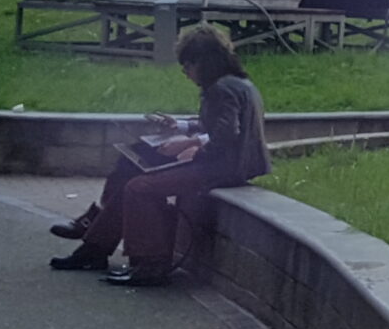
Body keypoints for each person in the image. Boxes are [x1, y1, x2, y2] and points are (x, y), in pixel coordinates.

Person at [50, 23, 270, 286]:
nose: (185, 72)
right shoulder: (237, 84)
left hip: (223, 167)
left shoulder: (220, 89)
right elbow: (219, 125)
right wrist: (182, 128)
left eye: (187, 65)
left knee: (139, 188)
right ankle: (94, 248)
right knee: (132, 165)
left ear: (204, 62)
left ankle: (150, 263)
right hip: (231, 164)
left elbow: (226, 135)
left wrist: (192, 148)